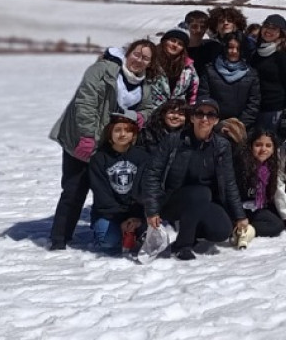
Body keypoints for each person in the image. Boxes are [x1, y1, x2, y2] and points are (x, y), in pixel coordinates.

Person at [48, 39, 157, 250]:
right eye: (136, 54)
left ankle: (111, 225)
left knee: (114, 185)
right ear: (127, 53)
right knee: (74, 189)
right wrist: (88, 136)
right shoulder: (103, 70)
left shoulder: (145, 82)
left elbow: (148, 107)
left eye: (145, 58)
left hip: (114, 142)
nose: (139, 60)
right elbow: (86, 103)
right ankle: (60, 238)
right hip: (82, 138)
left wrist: (139, 117)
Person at [142, 99, 248, 260]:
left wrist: (240, 216)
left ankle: (189, 227)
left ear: (216, 120)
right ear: (192, 118)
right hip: (172, 199)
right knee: (201, 192)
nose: (204, 119)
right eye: (199, 114)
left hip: (203, 202)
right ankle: (183, 245)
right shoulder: (173, 140)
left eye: (210, 115)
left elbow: (229, 181)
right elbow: (152, 173)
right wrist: (152, 209)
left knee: (221, 230)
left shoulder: (221, 146)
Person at [87, 111, 149, 253]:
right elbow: (102, 194)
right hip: (109, 214)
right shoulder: (99, 159)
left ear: (133, 134)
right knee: (109, 242)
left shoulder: (143, 157)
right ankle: (106, 231)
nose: (122, 134)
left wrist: (135, 218)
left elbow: (144, 189)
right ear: (110, 133)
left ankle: (134, 232)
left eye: (127, 130)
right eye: (117, 130)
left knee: (147, 238)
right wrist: (121, 220)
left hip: (136, 214)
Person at [235, 128, 286, 238]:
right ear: (250, 146)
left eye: (268, 146)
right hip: (237, 209)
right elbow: (232, 194)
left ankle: (246, 230)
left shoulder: (271, 166)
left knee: (277, 225)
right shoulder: (240, 164)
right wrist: (239, 216)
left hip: (257, 208)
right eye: (258, 145)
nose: (263, 149)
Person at [252, 14, 286, 137]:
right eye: (267, 26)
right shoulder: (257, 53)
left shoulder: (285, 54)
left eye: (274, 29)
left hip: (278, 111)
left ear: (281, 33)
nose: (269, 31)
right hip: (259, 109)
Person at [203, 32, 260, 127]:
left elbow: (253, 103)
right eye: (230, 47)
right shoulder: (210, 70)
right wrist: (215, 122)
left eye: (238, 48)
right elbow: (204, 97)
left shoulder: (251, 74)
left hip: (240, 128)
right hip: (213, 125)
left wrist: (237, 125)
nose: (234, 51)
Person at [151, 28, 199, 107]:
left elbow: (193, 92)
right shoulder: (151, 60)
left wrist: (190, 110)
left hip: (176, 112)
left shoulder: (188, 68)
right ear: (164, 41)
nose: (175, 45)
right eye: (173, 40)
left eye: (180, 44)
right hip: (152, 110)